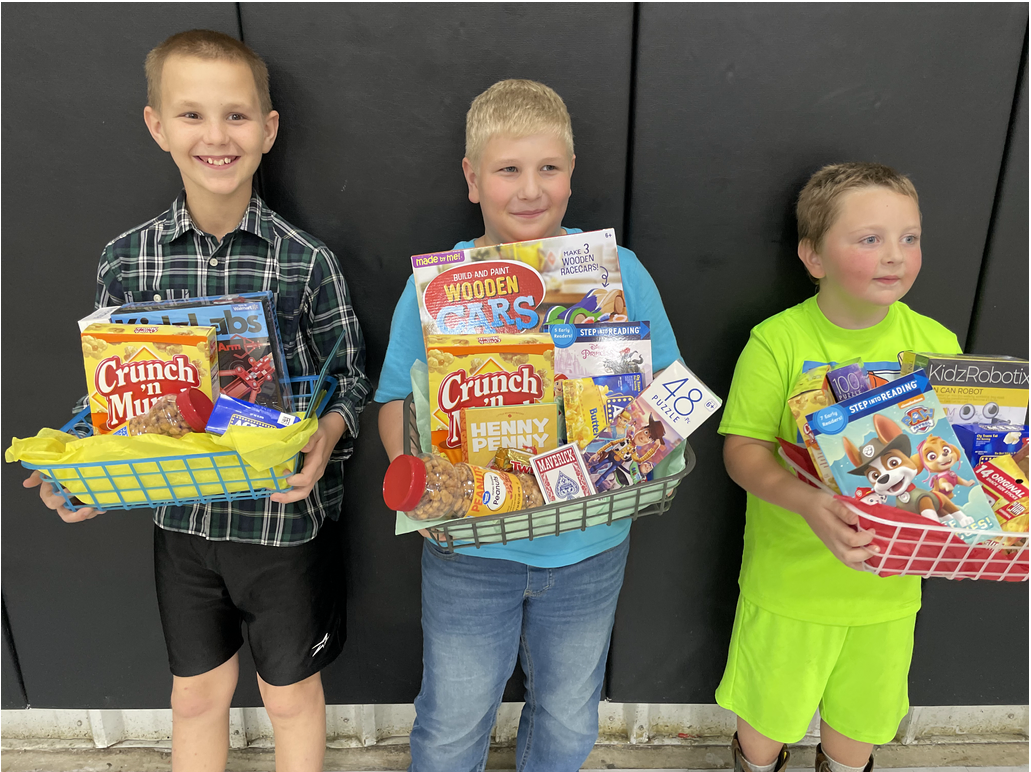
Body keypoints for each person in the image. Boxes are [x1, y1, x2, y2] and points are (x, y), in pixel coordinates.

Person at [23, 29, 370, 772]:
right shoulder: (125, 260)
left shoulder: (303, 261)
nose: (216, 136)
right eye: (191, 115)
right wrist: (79, 471)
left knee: (289, 700)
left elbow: (352, 382)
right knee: (193, 697)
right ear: (156, 126)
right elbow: (111, 399)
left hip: (282, 527)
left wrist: (326, 436)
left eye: (237, 116)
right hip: (181, 525)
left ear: (268, 129)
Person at [375, 79, 681, 772]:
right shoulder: (437, 286)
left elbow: (673, 389)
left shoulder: (619, 273)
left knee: (570, 718)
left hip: (589, 545)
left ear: (572, 175)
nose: (529, 189)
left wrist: (640, 449)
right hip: (469, 549)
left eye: (548, 168)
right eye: (508, 169)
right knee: (452, 722)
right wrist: (418, 480)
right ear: (472, 178)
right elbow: (397, 397)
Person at [716, 162, 962, 772]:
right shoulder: (777, 341)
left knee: (860, 726)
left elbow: (960, 465)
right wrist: (806, 503)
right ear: (813, 256)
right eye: (869, 238)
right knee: (766, 724)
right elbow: (742, 450)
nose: (895, 256)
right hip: (789, 587)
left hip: (889, 593)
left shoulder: (938, 345)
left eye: (910, 237)